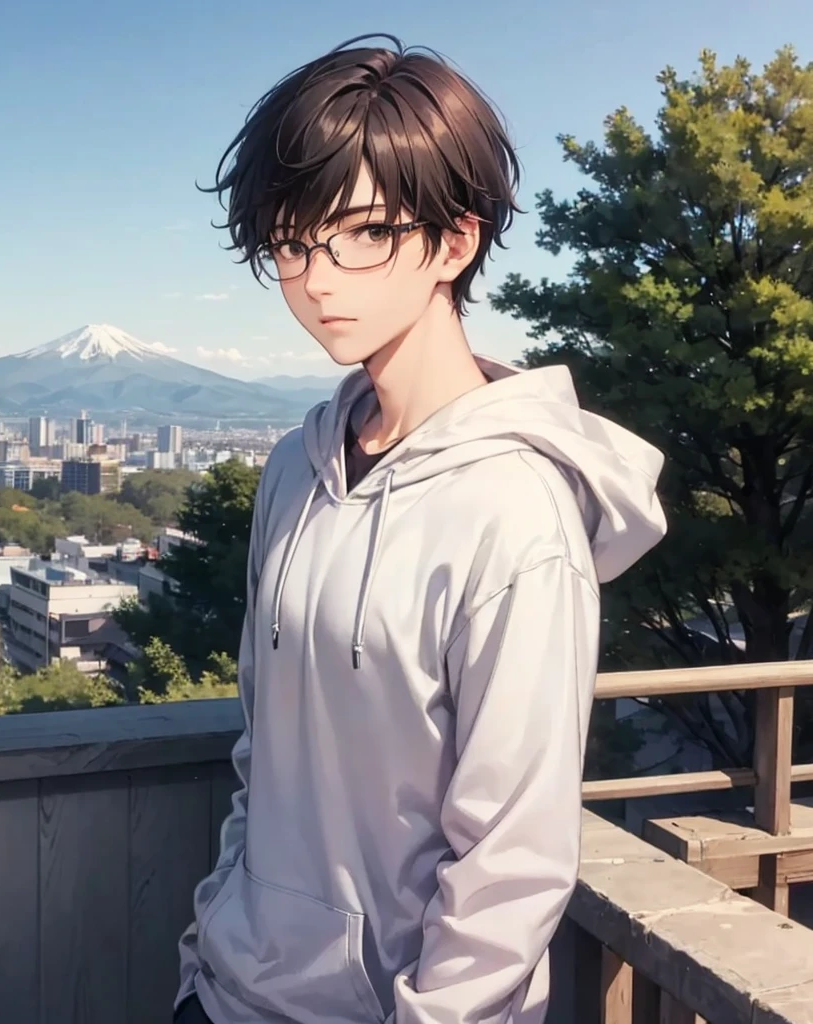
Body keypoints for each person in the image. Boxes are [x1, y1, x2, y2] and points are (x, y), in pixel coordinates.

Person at [174, 33, 666, 1024]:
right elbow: (261, 759)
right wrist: (206, 950)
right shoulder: (293, 470)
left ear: (454, 240)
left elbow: (511, 859)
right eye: (292, 241)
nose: (316, 277)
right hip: (231, 995)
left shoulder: (516, 509)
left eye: (360, 233)